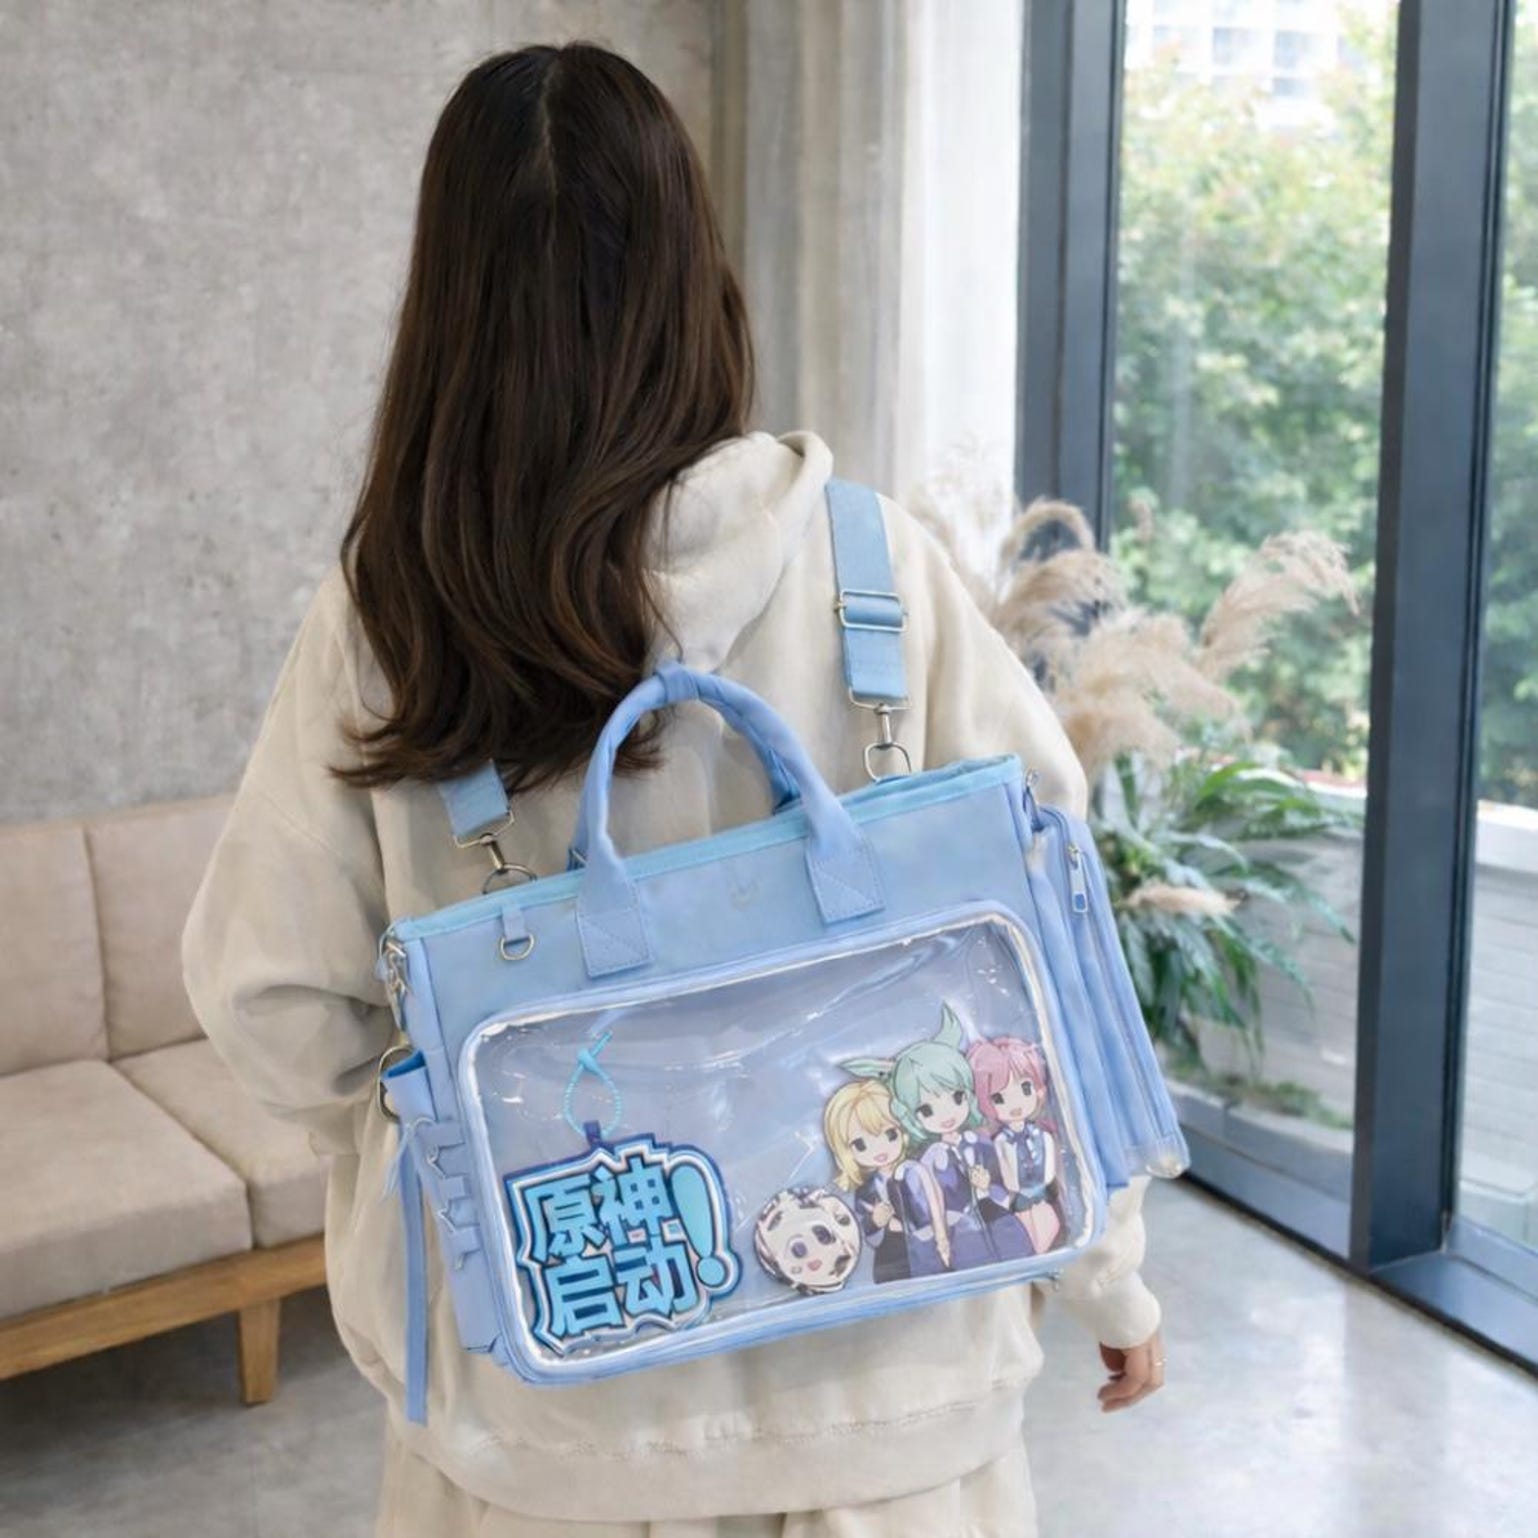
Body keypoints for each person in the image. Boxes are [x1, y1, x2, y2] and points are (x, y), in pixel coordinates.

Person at [180, 41, 1166, 1538]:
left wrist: (436, 1144)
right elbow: (1047, 967)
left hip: (547, 1427)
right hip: (893, 1411)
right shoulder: (875, 566)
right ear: (695, 274)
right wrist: (1109, 1276)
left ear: (448, 302)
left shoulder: (394, 617)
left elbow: (268, 997)